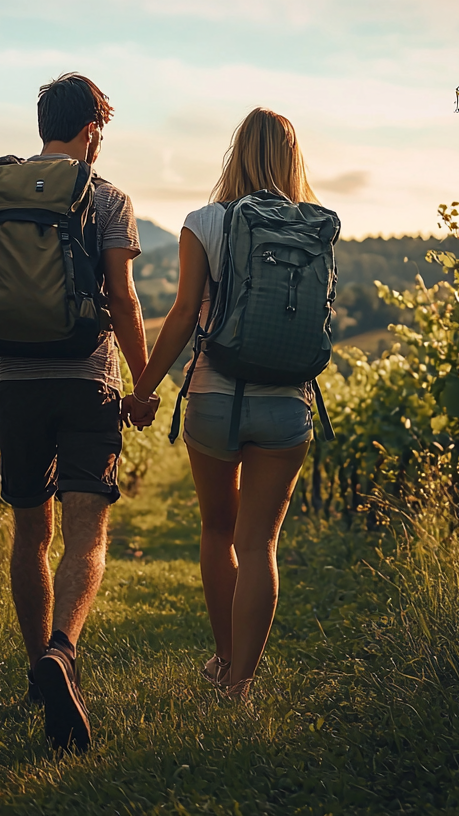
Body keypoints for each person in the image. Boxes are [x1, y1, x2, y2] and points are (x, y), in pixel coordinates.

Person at [0, 72, 159, 753]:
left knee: (28, 533)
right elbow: (124, 303)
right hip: (86, 381)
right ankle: (61, 654)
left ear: (45, 123)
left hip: (14, 383)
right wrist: (142, 383)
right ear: (92, 129)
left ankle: (35, 666)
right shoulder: (106, 199)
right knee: (86, 534)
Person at [129, 108, 323, 699]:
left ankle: (221, 657)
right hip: (287, 406)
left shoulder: (204, 221)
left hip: (215, 399)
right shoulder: (315, 227)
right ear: (293, 159)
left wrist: (144, 389)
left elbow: (184, 314)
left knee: (218, 529)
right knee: (259, 541)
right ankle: (241, 685)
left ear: (235, 153)